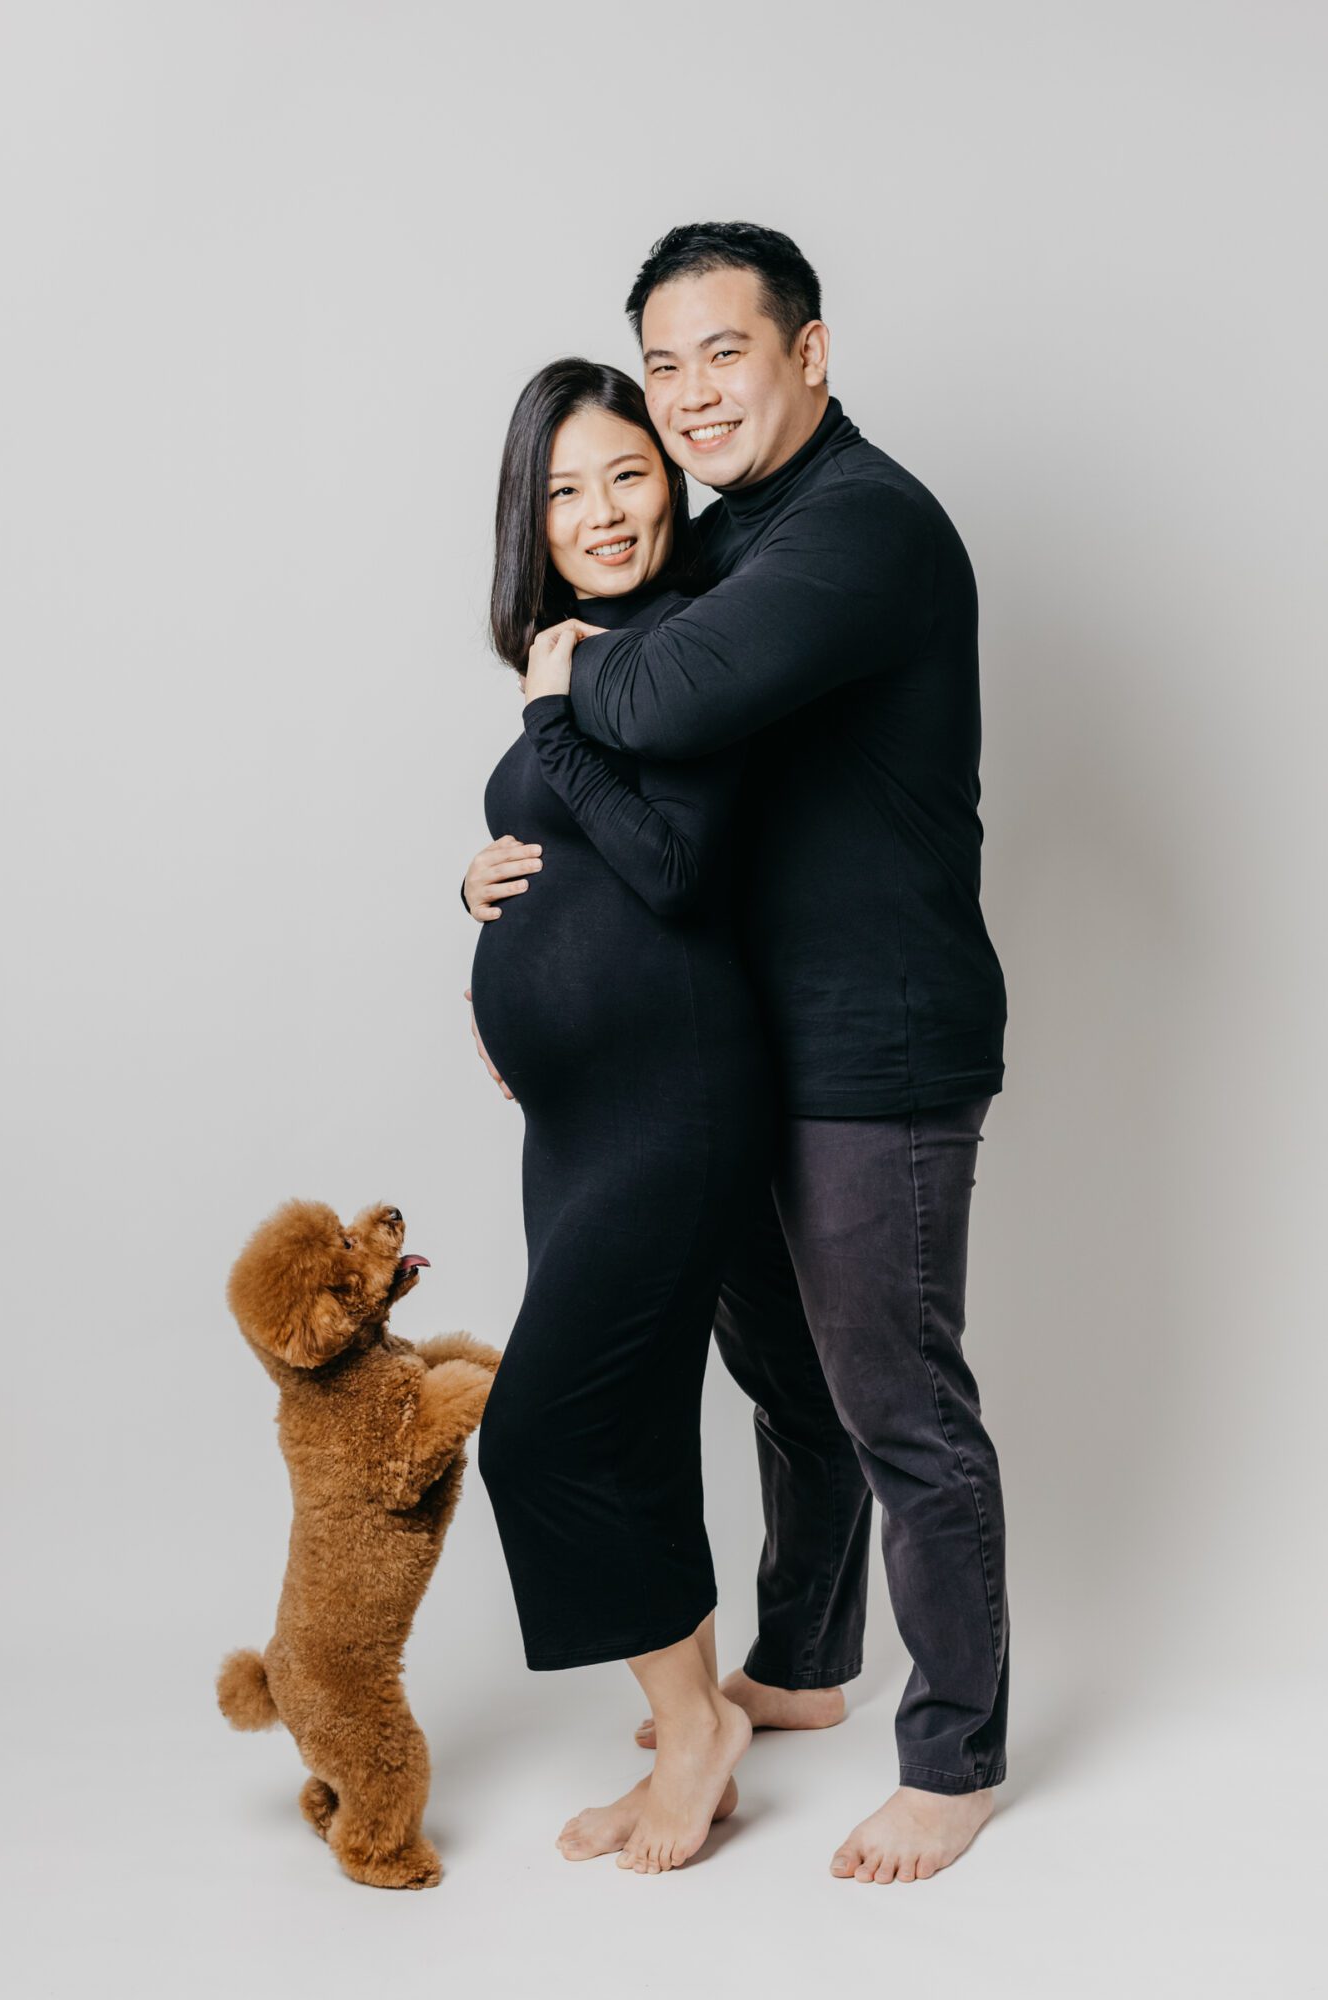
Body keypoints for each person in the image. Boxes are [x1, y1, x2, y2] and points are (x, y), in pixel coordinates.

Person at [510, 221, 1011, 1888]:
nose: (691, 392)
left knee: (894, 1407)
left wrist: (570, 671)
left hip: (876, 1044)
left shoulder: (859, 528)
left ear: (808, 353)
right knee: (786, 1387)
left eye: (724, 351)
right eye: (665, 364)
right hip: (739, 1048)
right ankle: (797, 1666)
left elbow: (655, 706)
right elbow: (647, 798)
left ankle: (952, 1757)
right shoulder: (739, 535)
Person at [463, 358, 776, 1875]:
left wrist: (555, 712)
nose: (596, 511)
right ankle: (695, 1705)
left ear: (674, 483)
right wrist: (478, 893)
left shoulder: (691, 650)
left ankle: (698, 1734)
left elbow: (675, 868)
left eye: (628, 475)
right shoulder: (586, 649)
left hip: (675, 1095)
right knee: (635, 1424)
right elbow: (568, 836)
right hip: (576, 1120)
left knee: (541, 1432)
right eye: (564, 488)